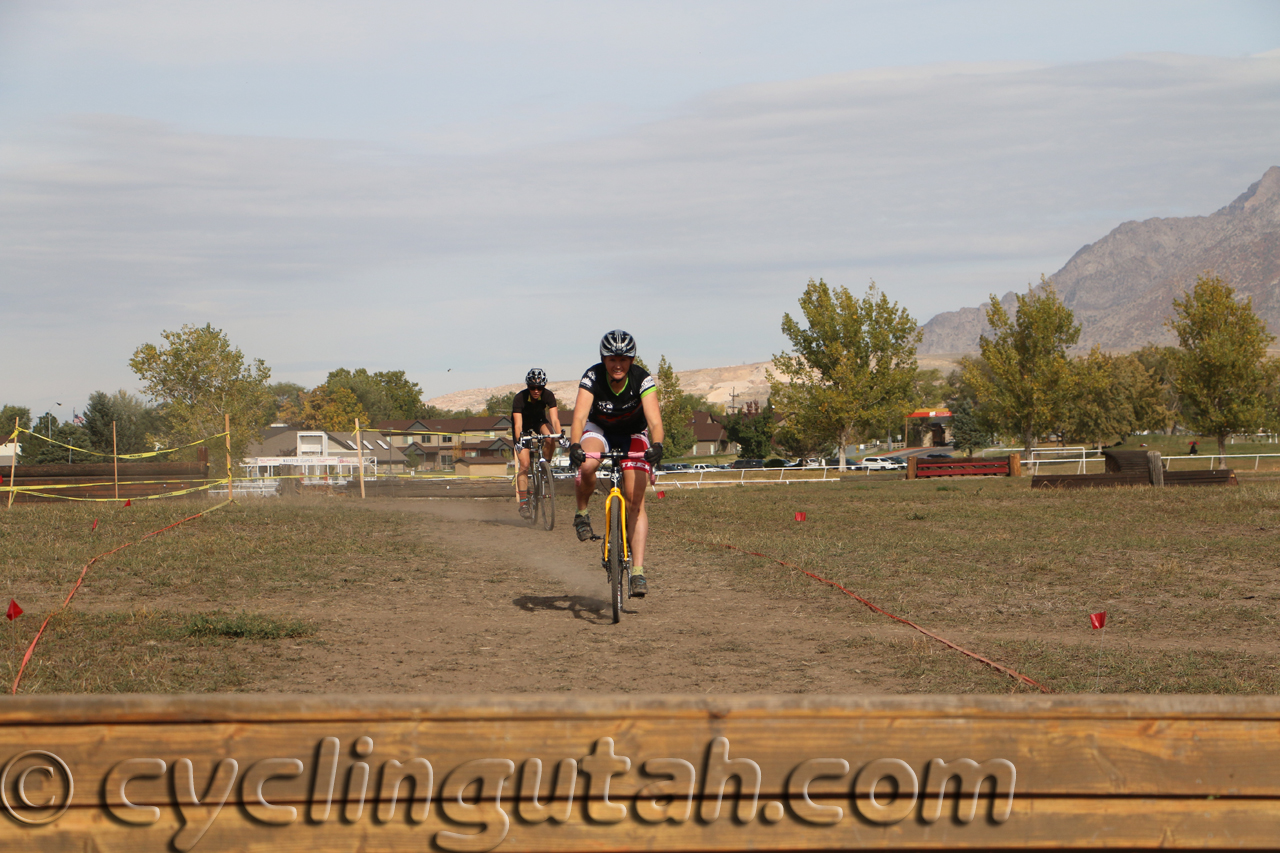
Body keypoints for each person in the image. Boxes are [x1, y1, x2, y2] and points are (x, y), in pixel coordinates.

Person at [568, 330, 665, 597]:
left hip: (633, 434)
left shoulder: (642, 379)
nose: (618, 364)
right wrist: (575, 445)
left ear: (632, 360)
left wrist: (657, 445)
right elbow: (578, 417)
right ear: (603, 359)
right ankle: (582, 513)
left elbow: (655, 422)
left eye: (624, 358)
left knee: (635, 500)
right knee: (587, 465)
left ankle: (638, 571)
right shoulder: (592, 376)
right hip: (599, 430)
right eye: (612, 359)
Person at [512, 368, 561, 519]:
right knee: (525, 464)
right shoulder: (519, 398)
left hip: (539, 422)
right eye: (532, 387)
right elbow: (518, 425)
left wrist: (560, 436)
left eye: (539, 388)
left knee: (550, 437)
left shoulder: (548, 395)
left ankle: (546, 464)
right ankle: (523, 504)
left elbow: (554, 420)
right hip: (523, 428)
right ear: (528, 386)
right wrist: (520, 440)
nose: (536, 391)